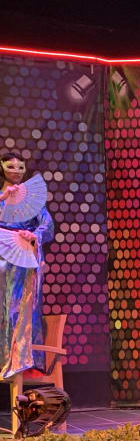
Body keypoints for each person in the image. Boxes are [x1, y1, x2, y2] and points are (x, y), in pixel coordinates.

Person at [0, 152, 55, 379]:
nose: (16, 171)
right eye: (10, 166)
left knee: (20, 306)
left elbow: (47, 224)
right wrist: (3, 198)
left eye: (20, 167)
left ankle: (20, 360)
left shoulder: (31, 199)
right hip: (1, 251)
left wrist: (34, 234)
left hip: (22, 255)